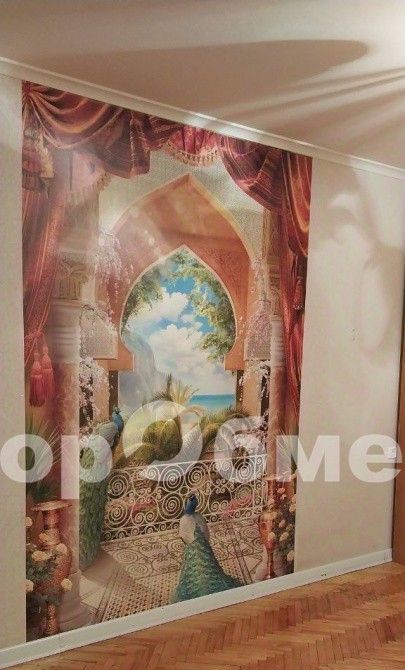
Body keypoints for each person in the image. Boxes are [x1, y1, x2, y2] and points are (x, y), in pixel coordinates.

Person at [171, 494, 242, 602]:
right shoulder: (198, 516)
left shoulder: (185, 519)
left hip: (192, 544)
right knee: (205, 561)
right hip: (201, 543)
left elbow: (184, 536)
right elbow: (205, 533)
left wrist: (191, 542)